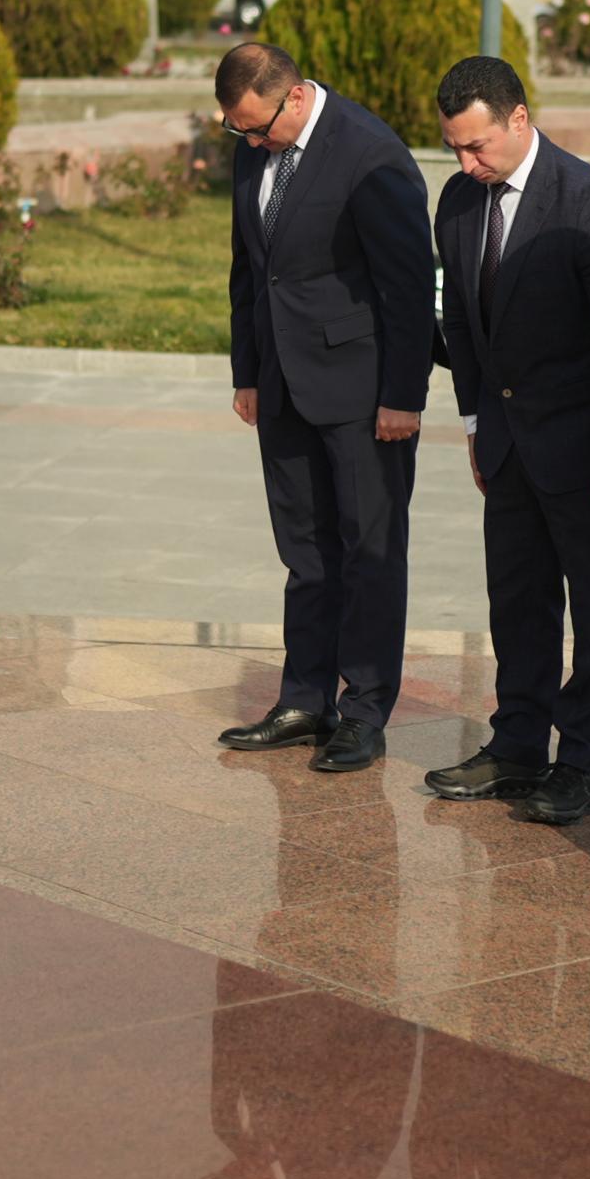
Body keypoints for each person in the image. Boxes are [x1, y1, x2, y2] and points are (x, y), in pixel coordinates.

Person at [212, 40, 436, 774]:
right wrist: (248, 369)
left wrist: (403, 395)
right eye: (238, 130)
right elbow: (249, 268)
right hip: (282, 384)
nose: (251, 142)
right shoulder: (254, 148)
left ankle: (364, 711)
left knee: (370, 554)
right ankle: (305, 700)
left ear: (297, 95)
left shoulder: (370, 153)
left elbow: (408, 285)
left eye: (258, 127)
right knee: (305, 554)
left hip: (363, 393)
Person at [423, 54, 590, 828]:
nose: (465, 163)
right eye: (454, 147)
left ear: (519, 118)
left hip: (585, 450)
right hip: (507, 441)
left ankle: (580, 763)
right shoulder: (459, 199)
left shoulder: (589, 203)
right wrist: (476, 423)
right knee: (516, 602)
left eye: (477, 145)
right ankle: (516, 744)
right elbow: (461, 320)